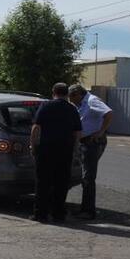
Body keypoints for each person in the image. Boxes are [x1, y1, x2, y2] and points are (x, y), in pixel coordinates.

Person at [29, 82, 82, 223]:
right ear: (66, 94)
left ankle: (40, 214)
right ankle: (58, 214)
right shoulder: (72, 109)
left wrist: (33, 145)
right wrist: (75, 149)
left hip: (46, 149)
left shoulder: (45, 106)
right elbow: (77, 132)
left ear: (54, 92)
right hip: (65, 150)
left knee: (43, 183)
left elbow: (35, 128)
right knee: (61, 183)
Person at [68, 84, 114, 220]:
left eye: (71, 98)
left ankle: (88, 211)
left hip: (92, 142)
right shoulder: (82, 103)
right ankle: (85, 208)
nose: (71, 101)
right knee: (85, 176)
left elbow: (109, 113)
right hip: (84, 142)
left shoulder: (92, 100)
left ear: (77, 94)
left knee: (88, 177)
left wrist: (101, 131)